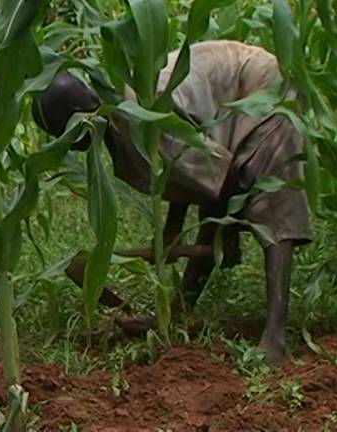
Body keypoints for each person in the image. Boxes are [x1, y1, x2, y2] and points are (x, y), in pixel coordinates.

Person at [32, 40, 312, 363]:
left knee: (270, 204)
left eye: (69, 126)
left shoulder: (143, 118)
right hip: (222, 108)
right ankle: (179, 313)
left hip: (258, 84)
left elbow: (215, 173)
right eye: (60, 133)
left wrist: (228, 230)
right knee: (218, 200)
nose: (67, 139)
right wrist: (173, 230)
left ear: (87, 110)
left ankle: (275, 341)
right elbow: (185, 174)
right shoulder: (119, 130)